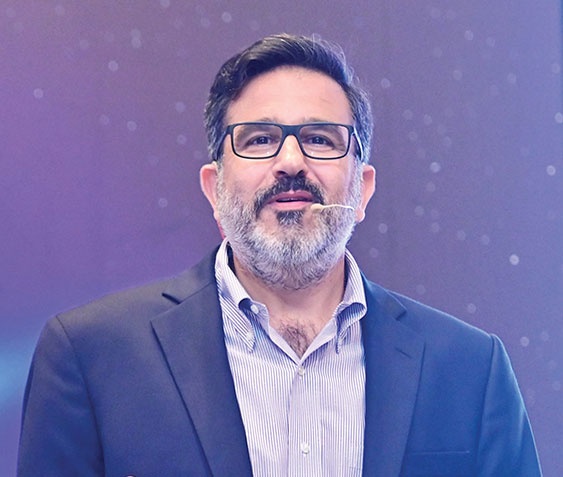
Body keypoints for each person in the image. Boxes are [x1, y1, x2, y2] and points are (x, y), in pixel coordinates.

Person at [17, 33, 541, 476]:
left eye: (320, 139)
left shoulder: (471, 369)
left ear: (362, 189)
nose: (291, 161)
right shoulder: (91, 356)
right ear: (214, 189)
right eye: (259, 139)